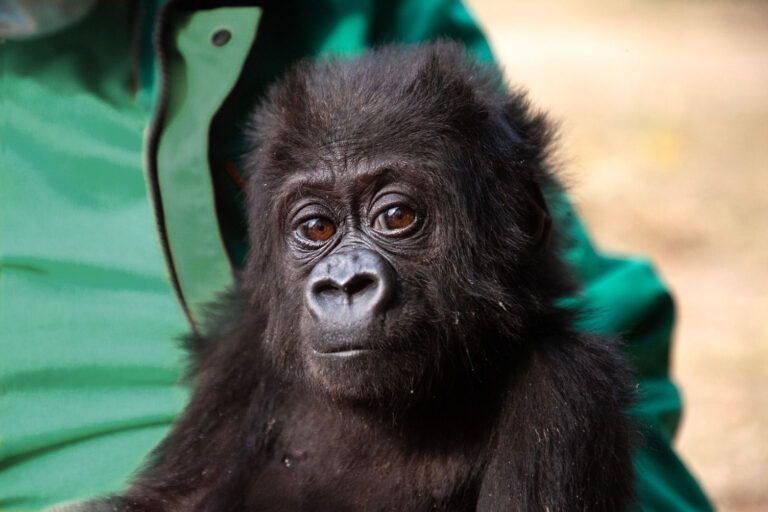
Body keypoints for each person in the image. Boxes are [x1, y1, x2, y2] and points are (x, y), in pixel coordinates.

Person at [0, 1, 713, 510]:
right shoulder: (262, 346)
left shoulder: (557, 395)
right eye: (313, 232)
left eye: (396, 216)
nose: (345, 279)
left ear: (517, 222)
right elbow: (172, 498)